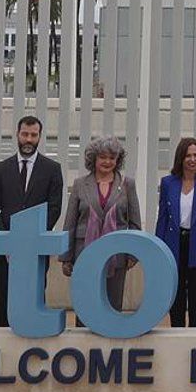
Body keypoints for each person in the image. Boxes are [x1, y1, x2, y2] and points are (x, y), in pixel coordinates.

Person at [0, 115, 64, 328]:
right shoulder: (1, 169)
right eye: (25, 134)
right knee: (4, 292)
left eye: (33, 135)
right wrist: (6, 240)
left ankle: (33, 332)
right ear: (17, 135)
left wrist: (33, 238)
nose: (29, 139)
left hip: (36, 247)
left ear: (39, 137)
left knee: (35, 292)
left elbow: (54, 208)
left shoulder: (52, 169)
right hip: (7, 248)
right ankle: (2, 335)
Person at [61, 135, 143, 315]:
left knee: (113, 306)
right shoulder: (80, 184)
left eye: (112, 158)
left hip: (117, 255)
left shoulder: (127, 184)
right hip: (84, 253)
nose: (107, 161)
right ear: (93, 158)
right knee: (86, 307)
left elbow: (135, 223)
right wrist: (66, 257)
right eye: (103, 157)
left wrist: (133, 254)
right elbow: (70, 223)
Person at [155, 137, 196, 327]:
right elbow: (163, 219)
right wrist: (158, 249)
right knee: (176, 301)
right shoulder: (168, 183)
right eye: (188, 155)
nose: (193, 159)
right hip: (174, 244)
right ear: (180, 158)